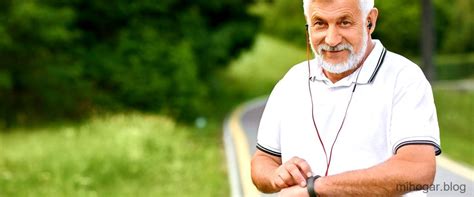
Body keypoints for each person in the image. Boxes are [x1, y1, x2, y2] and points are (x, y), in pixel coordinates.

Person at [250, 0, 441, 196]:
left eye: (344, 22)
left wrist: (315, 189)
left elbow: (418, 170)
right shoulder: (292, 81)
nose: (332, 40)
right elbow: (263, 159)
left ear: (370, 21)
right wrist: (275, 176)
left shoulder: (404, 77)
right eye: (320, 24)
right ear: (308, 26)